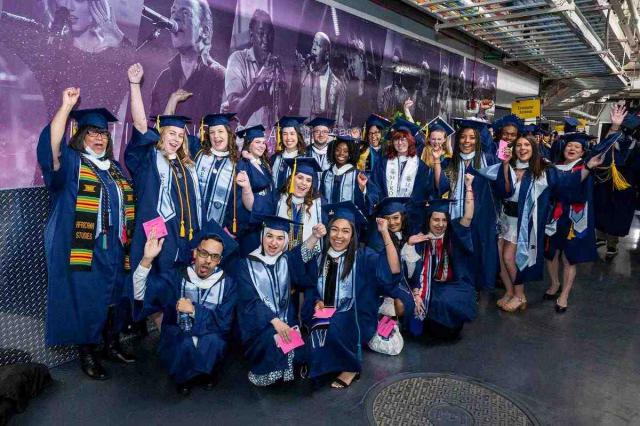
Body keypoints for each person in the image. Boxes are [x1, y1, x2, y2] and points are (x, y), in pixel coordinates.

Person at [37, 89, 135, 379]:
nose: (99, 138)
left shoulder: (114, 169)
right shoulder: (72, 163)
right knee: (88, 298)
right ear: (80, 135)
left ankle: (111, 343)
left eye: (103, 134)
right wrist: (66, 107)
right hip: (86, 248)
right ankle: (88, 353)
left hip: (115, 247)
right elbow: (51, 150)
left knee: (115, 295)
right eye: (92, 132)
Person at [488, 136, 603, 312]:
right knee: (500, 260)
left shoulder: (542, 170)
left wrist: (587, 166)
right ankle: (509, 292)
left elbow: (567, 182)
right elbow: (503, 190)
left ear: (534, 148)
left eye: (527, 145)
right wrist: (504, 165)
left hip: (523, 223)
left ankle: (520, 295)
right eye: (518, 145)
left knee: (510, 258)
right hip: (505, 220)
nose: (522, 148)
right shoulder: (509, 166)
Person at [125, 63, 202, 321]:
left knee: (177, 286)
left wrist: (172, 103)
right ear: (161, 134)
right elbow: (140, 125)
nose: (177, 138)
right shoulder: (148, 158)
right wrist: (135, 85)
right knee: (156, 284)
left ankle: (174, 332)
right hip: (159, 230)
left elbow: (168, 130)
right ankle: (156, 330)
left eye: (181, 135)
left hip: (185, 234)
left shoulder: (184, 165)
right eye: (171, 133)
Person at [301, 202, 400, 388]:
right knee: (317, 329)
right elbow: (308, 283)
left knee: (335, 324)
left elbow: (393, 269)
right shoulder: (321, 256)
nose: (339, 236)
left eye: (346, 231)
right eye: (335, 230)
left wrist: (385, 232)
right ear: (328, 232)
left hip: (354, 315)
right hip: (327, 311)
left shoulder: (363, 257)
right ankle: (326, 365)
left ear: (353, 234)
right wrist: (317, 301)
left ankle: (351, 368)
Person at [133, 227, 238, 395]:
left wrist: (194, 310)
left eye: (214, 256)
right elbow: (141, 294)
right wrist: (147, 259)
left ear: (219, 260)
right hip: (179, 333)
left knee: (213, 341)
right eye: (203, 253)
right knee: (183, 342)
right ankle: (183, 377)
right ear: (195, 253)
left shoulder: (228, 284)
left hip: (210, 334)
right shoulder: (177, 277)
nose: (208, 261)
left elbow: (225, 323)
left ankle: (206, 373)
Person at [235, 215, 325, 386]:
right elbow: (249, 301)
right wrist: (275, 322)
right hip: (259, 327)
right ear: (262, 236)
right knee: (273, 341)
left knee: (303, 353)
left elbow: (301, 254)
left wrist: (315, 236)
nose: (273, 243)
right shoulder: (246, 265)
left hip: (287, 321)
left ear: (285, 241)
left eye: (280, 238)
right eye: (269, 236)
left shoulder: (285, 259)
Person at [403, 191, 477, 340]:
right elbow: (411, 272)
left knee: (450, 302)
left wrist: (468, 187)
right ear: (428, 220)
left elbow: (468, 216)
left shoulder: (452, 234)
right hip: (424, 286)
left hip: (450, 285)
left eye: (444, 220)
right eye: (436, 219)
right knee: (422, 311)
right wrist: (409, 245)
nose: (440, 224)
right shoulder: (420, 239)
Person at [436, 118, 500, 292]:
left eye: (472, 137)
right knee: (459, 251)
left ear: (478, 140)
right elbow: (440, 187)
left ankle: (480, 286)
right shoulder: (451, 162)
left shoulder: (489, 160)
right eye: (463, 137)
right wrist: (436, 162)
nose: (467, 141)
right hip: (457, 217)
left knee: (480, 250)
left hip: (483, 216)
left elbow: (501, 188)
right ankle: (463, 285)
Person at [544, 133, 597, 313]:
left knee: (569, 258)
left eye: (577, 147)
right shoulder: (553, 167)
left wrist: (614, 127)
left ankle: (564, 295)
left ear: (583, 152)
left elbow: (601, 152)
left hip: (574, 218)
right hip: (555, 215)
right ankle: (554, 283)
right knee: (551, 254)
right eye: (569, 145)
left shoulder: (585, 167)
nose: (572, 148)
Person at [150, 0, 225, 120]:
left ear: (204, 31)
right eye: (173, 11)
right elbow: (154, 130)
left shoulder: (220, 77)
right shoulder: (163, 79)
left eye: (185, 12)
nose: (175, 17)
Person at [371, 117, 435, 235]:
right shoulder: (382, 163)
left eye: (404, 139)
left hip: (410, 219)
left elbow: (422, 193)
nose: (400, 143)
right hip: (386, 216)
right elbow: (375, 187)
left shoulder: (421, 167)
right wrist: (388, 208)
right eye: (396, 139)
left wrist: (405, 212)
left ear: (411, 141)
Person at [224, 8, 287, 127]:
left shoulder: (276, 65)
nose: (266, 41)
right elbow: (234, 110)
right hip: (245, 140)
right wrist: (257, 82)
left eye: (270, 35)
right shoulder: (237, 59)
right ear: (252, 36)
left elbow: (283, 116)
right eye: (261, 34)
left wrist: (281, 86)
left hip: (269, 140)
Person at [594, 105, 639, 259]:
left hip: (625, 186)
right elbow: (601, 151)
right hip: (608, 183)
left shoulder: (634, 144)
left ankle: (611, 244)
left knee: (617, 214)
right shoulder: (614, 140)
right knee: (604, 210)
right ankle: (602, 239)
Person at [256, 157, 324, 250]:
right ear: (291, 178)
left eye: (308, 180)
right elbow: (256, 209)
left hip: (308, 259)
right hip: (279, 255)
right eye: (300, 177)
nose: (304, 183)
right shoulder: (277, 199)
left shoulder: (318, 204)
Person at [191, 113, 239, 234]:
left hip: (219, 230)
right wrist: (173, 101)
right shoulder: (197, 153)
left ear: (228, 134)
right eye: (212, 132)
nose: (216, 136)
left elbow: (237, 203)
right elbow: (170, 134)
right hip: (192, 225)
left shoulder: (238, 164)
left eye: (220, 131)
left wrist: (229, 227)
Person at [291, 31, 345, 126]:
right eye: (313, 43)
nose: (313, 48)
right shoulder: (303, 74)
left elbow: (338, 122)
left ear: (327, 54)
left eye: (318, 45)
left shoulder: (337, 85)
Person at [235, 124, 273, 256]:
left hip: (263, 219)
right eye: (257, 142)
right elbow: (263, 182)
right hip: (250, 224)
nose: (262, 146)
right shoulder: (243, 164)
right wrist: (250, 159)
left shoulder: (263, 163)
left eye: (263, 142)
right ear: (248, 144)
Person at [321, 135, 374, 215]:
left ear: (350, 154)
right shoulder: (326, 174)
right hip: (329, 220)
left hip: (350, 222)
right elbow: (321, 198)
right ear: (333, 151)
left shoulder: (358, 175)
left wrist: (362, 188)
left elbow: (367, 201)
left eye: (346, 151)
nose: (341, 154)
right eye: (338, 150)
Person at [270, 116, 307, 192]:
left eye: (292, 133)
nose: (288, 138)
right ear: (281, 136)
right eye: (285, 134)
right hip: (273, 202)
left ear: (298, 135)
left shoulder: (305, 159)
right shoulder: (274, 158)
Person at [379, 48, 409, 117]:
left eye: (397, 64)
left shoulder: (405, 92)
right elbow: (383, 110)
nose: (395, 69)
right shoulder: (387, 90)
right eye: (393, 64)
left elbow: (407, 114)